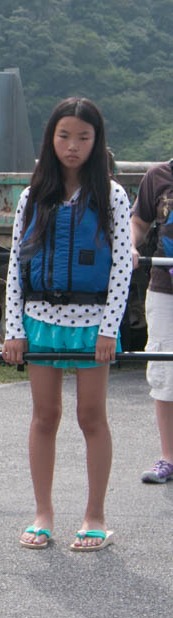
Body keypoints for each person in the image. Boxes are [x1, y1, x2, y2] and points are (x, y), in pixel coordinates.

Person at [2, 97, 133, 552]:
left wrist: (109, 330)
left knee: (91, 416)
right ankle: (43, 514)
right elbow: (15, 264)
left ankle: (94, 516)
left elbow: (121, 269)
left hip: (92, 321)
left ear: (96, 142)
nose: (72, 146)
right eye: (64, 136)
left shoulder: (112, 195)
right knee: (45, 417)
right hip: (40, 321)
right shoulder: (32, 195)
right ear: (50, 139)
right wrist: (12, 331)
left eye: (83, 137)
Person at [130, 160, 173, 483]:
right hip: (164, 289)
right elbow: (140, 223)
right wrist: (130, 244)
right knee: (164, 373)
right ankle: (168, 458)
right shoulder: (157, 177)